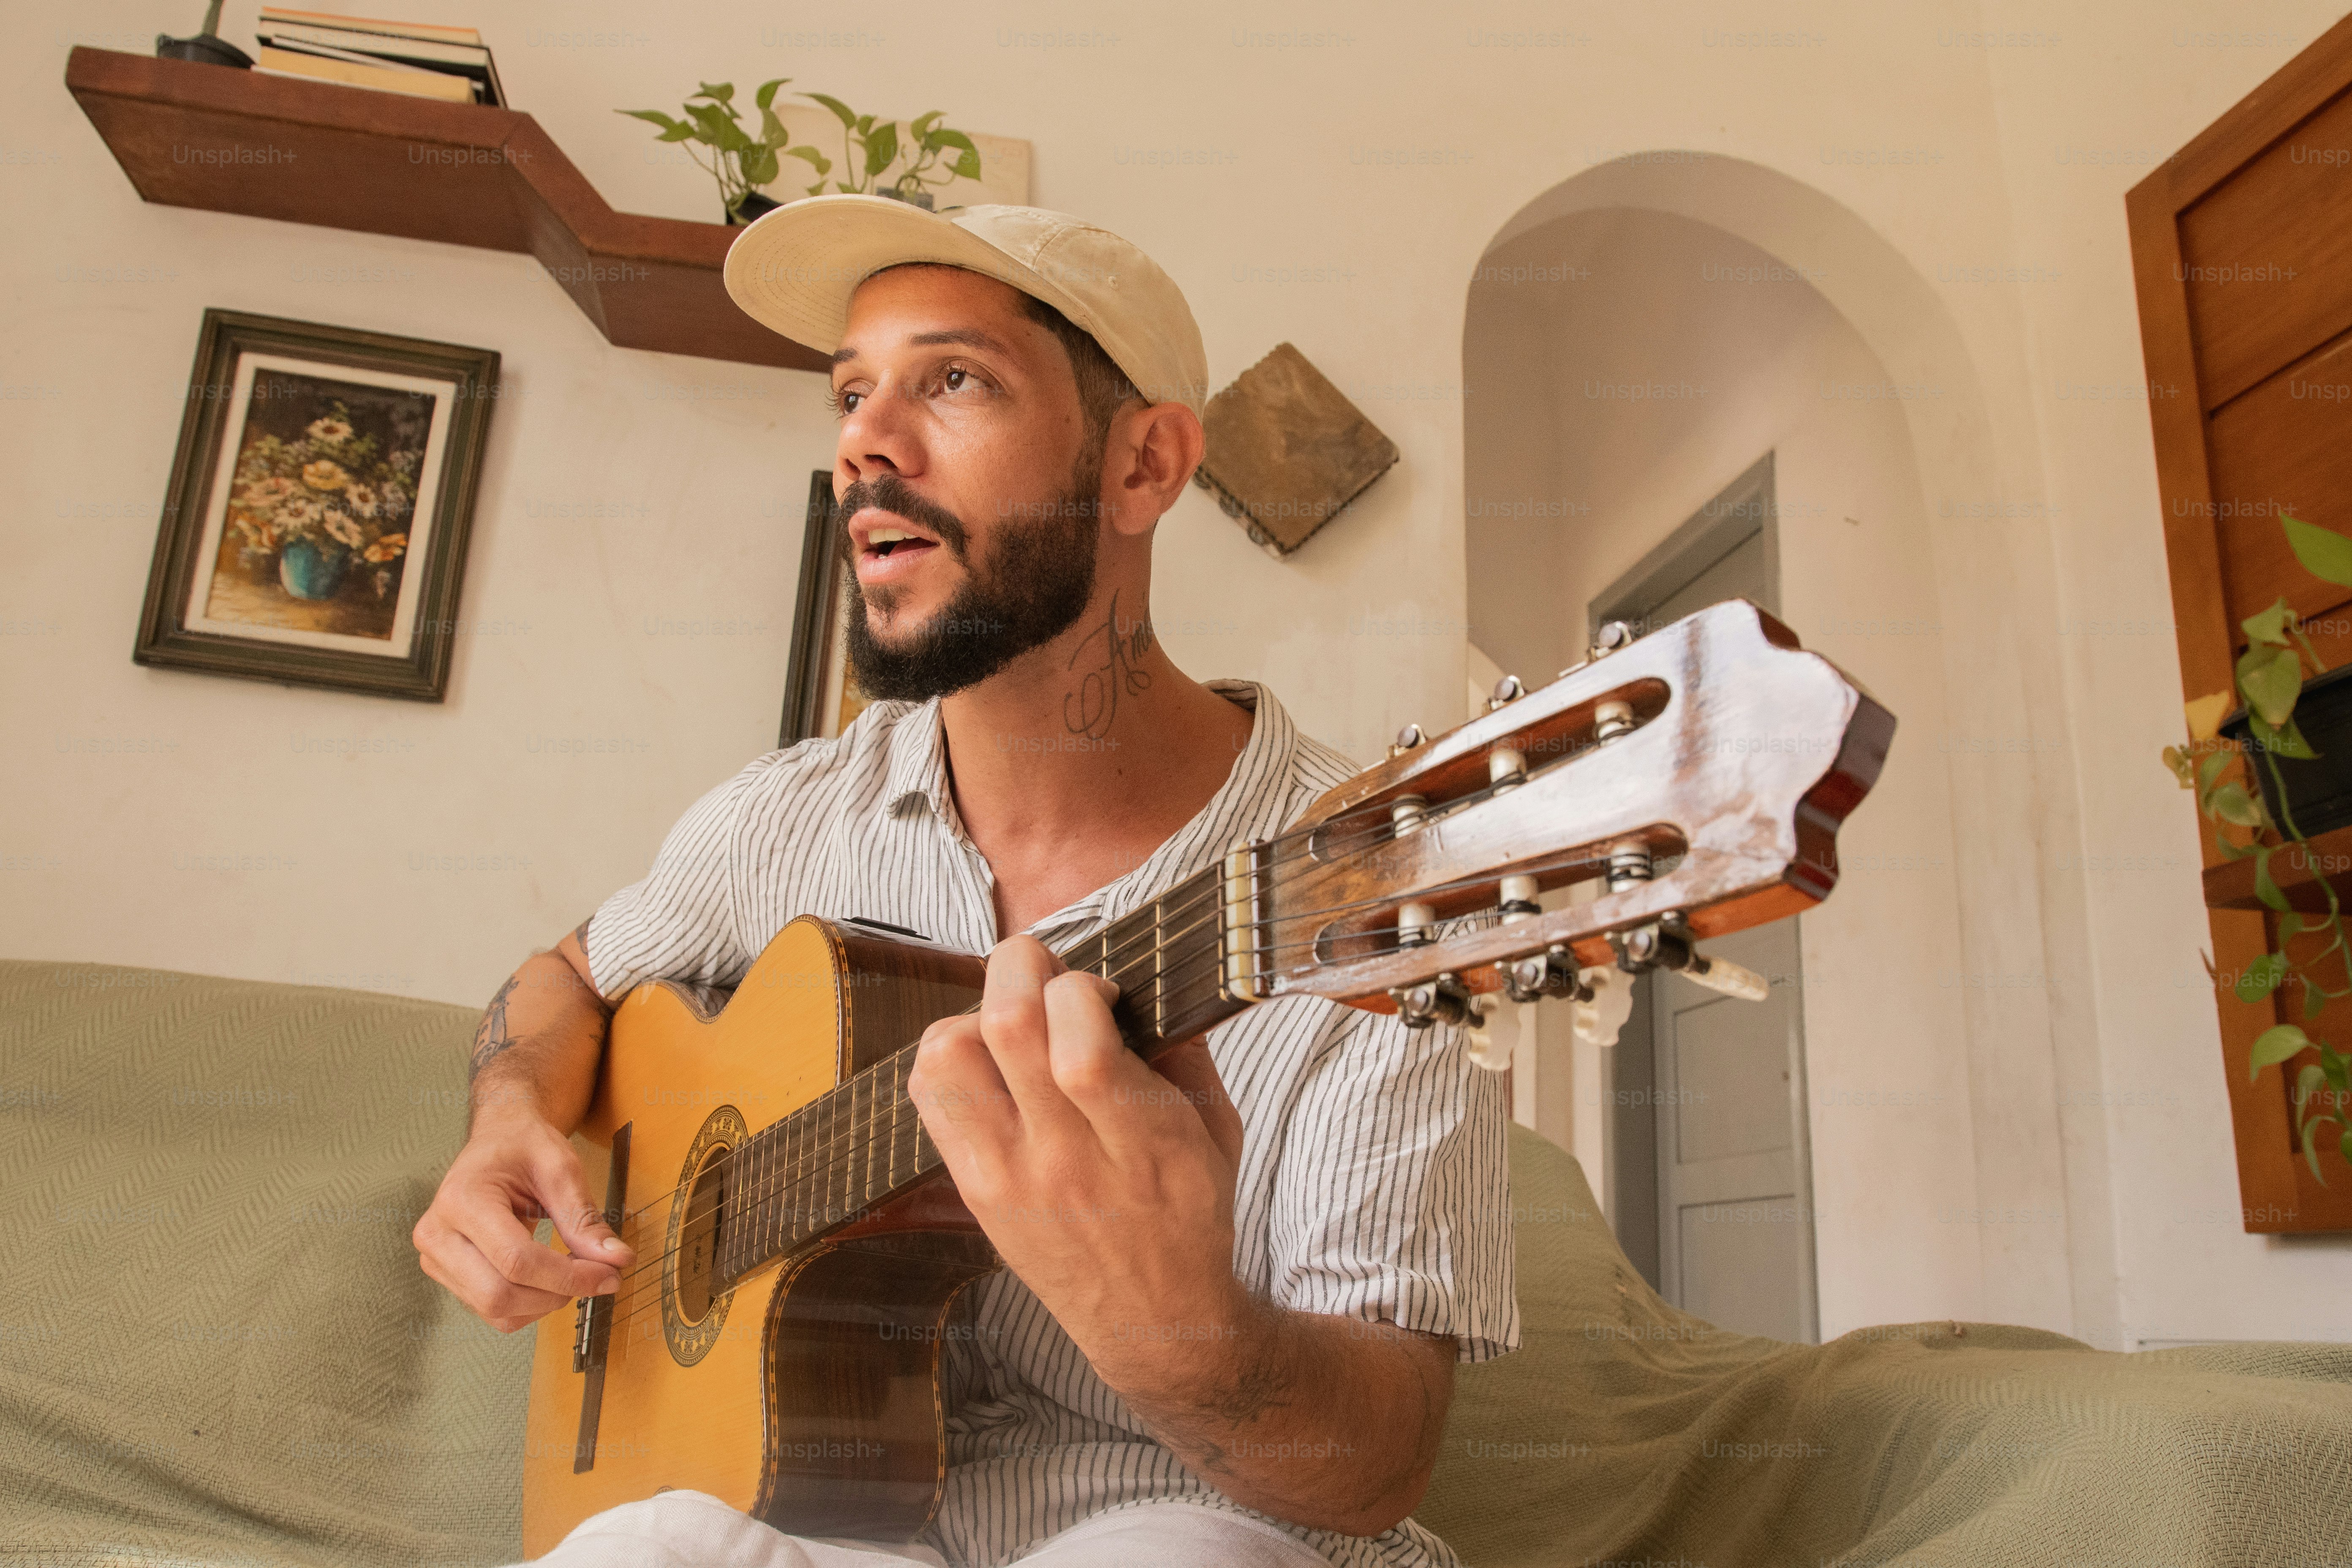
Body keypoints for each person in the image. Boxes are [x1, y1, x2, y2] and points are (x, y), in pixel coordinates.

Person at [411, 196, 1516, 1568]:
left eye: (953, 381)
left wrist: (1182, 1330)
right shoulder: (785, 816)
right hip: (822, 1522)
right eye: (850, 393)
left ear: (1144, 466)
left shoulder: (1374, 888)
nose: (865, 441)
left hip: (1190, 1527)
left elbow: (1374, 1467)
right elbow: (567, 980)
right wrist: (508, 1113)